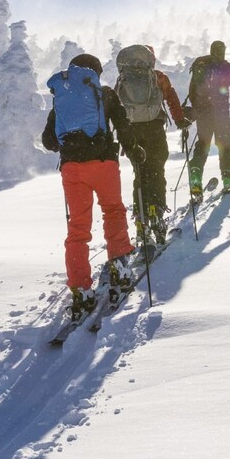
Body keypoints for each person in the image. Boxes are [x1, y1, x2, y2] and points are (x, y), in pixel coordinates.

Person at [42, 53, 145, 321]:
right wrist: (134, 150)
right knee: (113, 211)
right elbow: (123, 127)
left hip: (72, 170)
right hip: (103, 165)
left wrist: (71, 144)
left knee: (78, 228)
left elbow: (48, 141)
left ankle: (80, 289)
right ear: (95, 73)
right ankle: (120, 266)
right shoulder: (105, 94)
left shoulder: (61, 99)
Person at [115, 44, 191, 247]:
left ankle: (141, 219)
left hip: (132, 133)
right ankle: (156, 212)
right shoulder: (158, 77)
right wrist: (180, 120)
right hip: (155, 130)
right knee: (156, 171)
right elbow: (171, 98)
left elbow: (117, 106)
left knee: (140, 175)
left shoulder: (123, 79)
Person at [187, 40, 230, 196]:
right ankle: (228, 178)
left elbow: (192, 91)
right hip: (221, 114)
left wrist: (198, 109)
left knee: (202, 145)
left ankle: (195, 176)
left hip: (203, 114)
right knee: (225, 145)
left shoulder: (201, 66)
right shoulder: (227, 68)